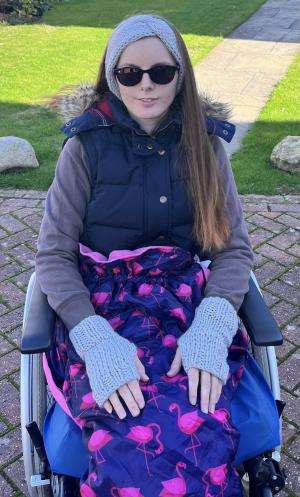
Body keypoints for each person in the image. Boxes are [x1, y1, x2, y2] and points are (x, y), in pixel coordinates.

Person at [36, 12, 254, 497]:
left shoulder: (207, 148)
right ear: (113, 78)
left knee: (199, 417)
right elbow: (53, 256)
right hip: (103, 307)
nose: (146, 86)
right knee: (128, 425)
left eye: (162, 72)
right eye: (130, 74)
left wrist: (214, 326)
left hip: (184, 305)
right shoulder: (84, 148)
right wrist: (93, 340)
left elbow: (233, 249)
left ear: (182, 74)